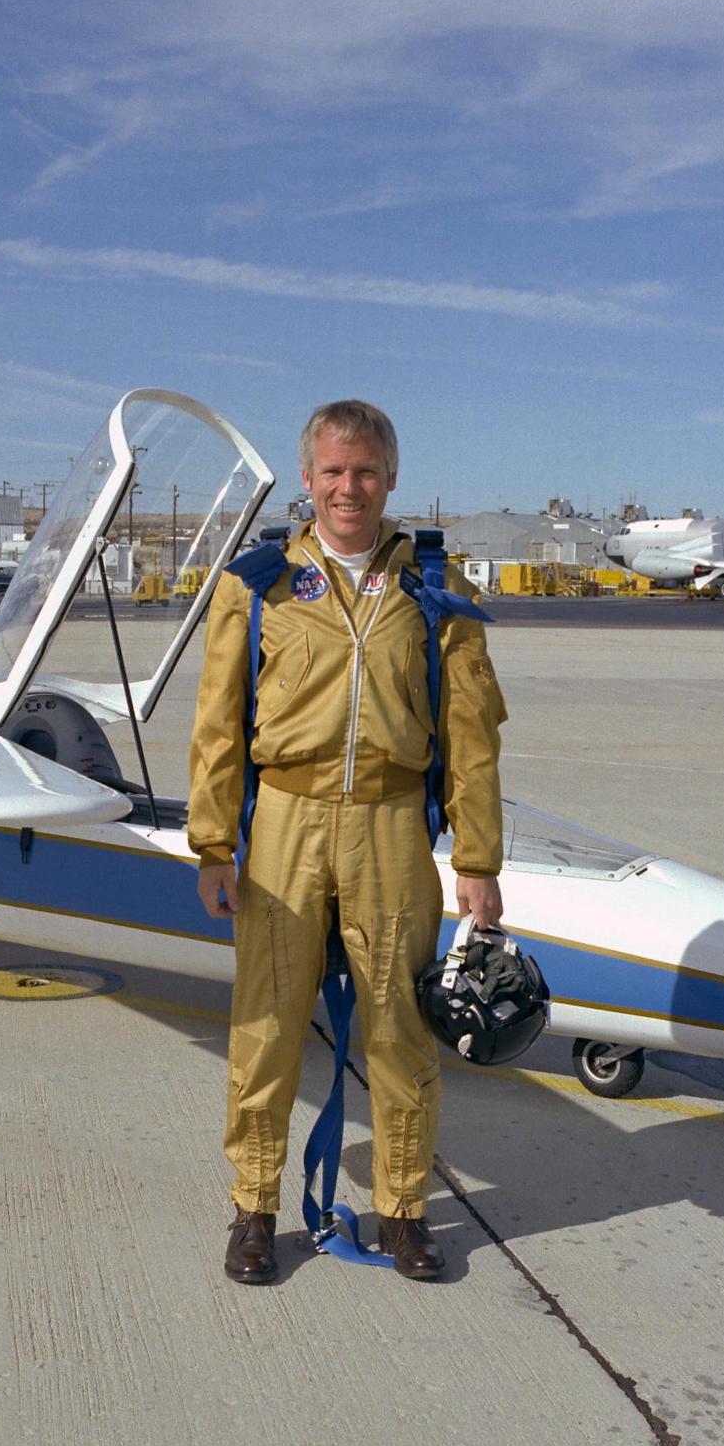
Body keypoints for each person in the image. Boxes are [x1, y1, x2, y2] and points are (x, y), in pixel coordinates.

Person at [189, 400, 507, 1284]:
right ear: (308, 480)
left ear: (391, 477)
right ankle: (253, 1207)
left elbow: (472, 733)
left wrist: (477, 859)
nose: (348, 488)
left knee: (400, 1030)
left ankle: (403, 1208)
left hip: (392, 826)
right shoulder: (256, 585)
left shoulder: (434, 591)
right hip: (285, 824)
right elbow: (217, 725)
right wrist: (215, 845)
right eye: (332, 471)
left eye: (364, 471)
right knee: (266, 1027)